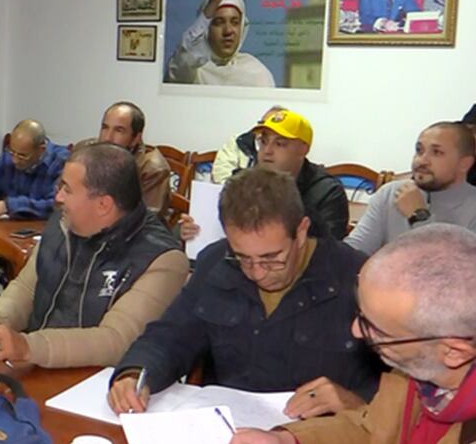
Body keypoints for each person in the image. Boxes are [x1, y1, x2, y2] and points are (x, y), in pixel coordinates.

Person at [213, 225, 476, 444]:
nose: (355, 331)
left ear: (454, 352)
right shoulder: (421, 374)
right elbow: (374, 433)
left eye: (377, 330)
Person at [108, 168, 383, 419]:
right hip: (225, 434)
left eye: (272, 258)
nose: (257, 272)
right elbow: (170, 336)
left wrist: (357, 401)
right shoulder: (217, 263)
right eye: (243, 257)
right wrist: (135, 373)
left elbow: (401, 386)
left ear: (301, 232)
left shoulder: (359, 279)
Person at [0, 142, 189, 368]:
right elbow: (27, 288)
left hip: (94, 389)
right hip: (36, 367)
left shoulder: (161, 259)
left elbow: (115, 341)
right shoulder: (63, 225)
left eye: (67, 189)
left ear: (103, 205)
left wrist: (29, 346)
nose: (58, 198)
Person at [183, 109, 348, 241]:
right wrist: (189, 231)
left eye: (279, 144)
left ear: (303, 149)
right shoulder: (242, 183)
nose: (267, 151)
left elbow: (329, 251)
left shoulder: (327, 192)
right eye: (263, 141)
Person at [345, 122, 476, 255]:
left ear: (464, 164)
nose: (421, 161)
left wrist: (419, 216)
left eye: (437, 152)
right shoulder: (391, 193)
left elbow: (451, 268)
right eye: (419, 150)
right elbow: (354, 252)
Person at [167, 0, 275, 87]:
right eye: (219, 22)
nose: (228, 31)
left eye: (235, 22)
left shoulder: (257, 74)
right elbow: (184, 58)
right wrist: (214, 3)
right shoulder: (193, 70)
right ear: (207, 28)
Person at [76, 102, 171, 214]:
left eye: (119, 130)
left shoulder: (152, 168)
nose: (107, 138)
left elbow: (147, 219)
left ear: (136, 138)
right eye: (105, 128)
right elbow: (62, 198)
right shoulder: (83, 152)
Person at [0, 119, 69, 221]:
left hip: (40, 229)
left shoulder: (61, 162)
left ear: (41, 149)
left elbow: (57, 205)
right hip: (7, 227)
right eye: (12, 152)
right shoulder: (7, 157)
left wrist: (10, 206)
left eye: (22, 156)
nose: (15, 160)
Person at [211, 105, 286, 182]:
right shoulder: (237, 141)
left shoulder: (289, 149)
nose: (265, 129)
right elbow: (221, 175)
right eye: (263, 123)